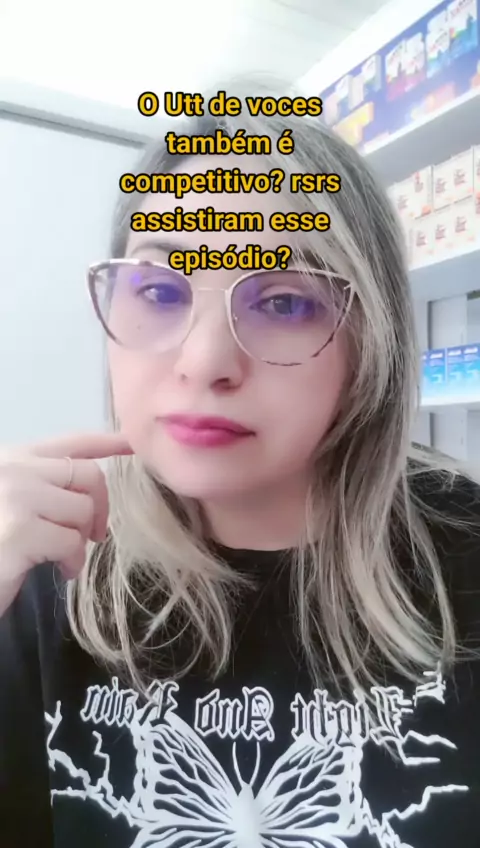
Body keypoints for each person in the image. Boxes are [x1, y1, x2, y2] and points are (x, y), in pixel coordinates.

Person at [1, 80, 480, 848]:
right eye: (160, 290)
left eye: (283, 301)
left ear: (371, 344)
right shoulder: (45, 569)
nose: (203, 361)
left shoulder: (465, 562)